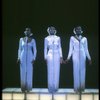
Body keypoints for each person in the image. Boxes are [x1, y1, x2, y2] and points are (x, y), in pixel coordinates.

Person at [65, 26, 92, 93]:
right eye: (77, 29)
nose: (78, 30)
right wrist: (68, 57)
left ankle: (82, 88)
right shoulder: (72, 38)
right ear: (75, 30)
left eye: (80, 29)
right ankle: (76, 88)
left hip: (83, 55)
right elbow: (70, 49)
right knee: (76, 71)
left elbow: (86, 49)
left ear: (81, 30)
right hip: (75, 54)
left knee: (82, 71)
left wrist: (89, 58)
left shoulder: (84, 38)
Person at [44, 26, 63, 93]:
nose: (52, 30)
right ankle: (50, 88)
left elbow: (60, 47)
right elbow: (45, 48)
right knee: (50, 71)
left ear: (55, 30)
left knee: (57, 70)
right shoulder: (46, 38)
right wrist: (45, 57)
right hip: (50, 54)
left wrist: (61, 56)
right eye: (50, 29)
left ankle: (55, 87)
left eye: (53, 29)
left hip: (57, 54)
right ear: (48, 30)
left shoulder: (58, 38)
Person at [17, 28, 37, 92]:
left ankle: (28, 88)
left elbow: (35, 50)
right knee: (22, 71)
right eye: (26, 30)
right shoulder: (21, 39)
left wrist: (34, 58)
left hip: (30, 55)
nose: (27, 31)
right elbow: (19, 49)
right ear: (24, 32)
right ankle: (23, 87)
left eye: (28, 30)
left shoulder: (33, 40)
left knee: (29, 71)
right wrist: (18, 57)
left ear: (30, 32)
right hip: (23, 55)